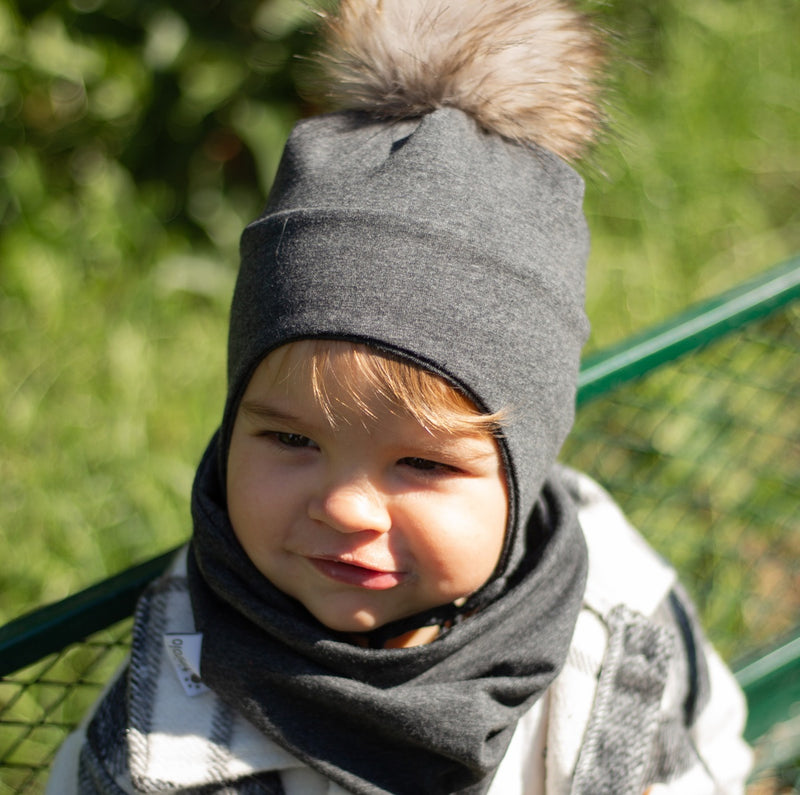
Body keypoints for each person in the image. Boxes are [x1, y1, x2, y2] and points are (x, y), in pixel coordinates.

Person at [48, 0, 752, 792]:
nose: (348, 509)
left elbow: (708, 750)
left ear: (522, 467)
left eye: (420, 461)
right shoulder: (161, 708)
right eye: (290, 440)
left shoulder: (623, 619)